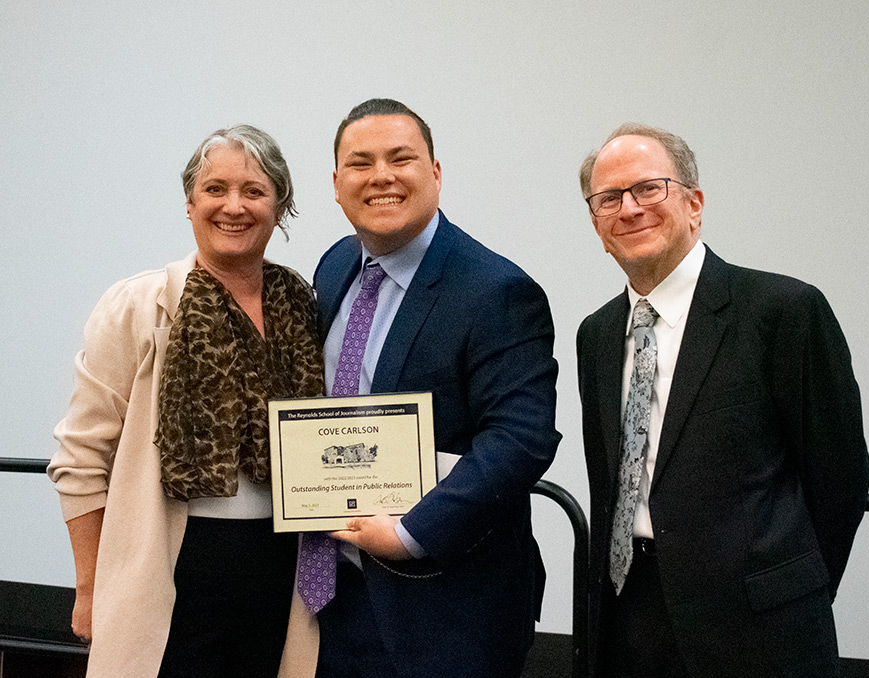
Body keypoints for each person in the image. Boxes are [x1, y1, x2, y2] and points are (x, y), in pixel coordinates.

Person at [576, 123, 869, 677]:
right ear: (597, 225)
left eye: (648, 188)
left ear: (694, 203)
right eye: (609, 198)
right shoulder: (596, 333)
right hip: (628, 619)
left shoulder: (783, 311)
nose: (630, 208)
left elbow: (840, 475)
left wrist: (791, 593)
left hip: (758, 631)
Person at [48, 125, 323, 678]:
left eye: (254, 190)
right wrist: (89, 587)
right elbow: (80, 459)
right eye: (215, 189)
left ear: (280, 205)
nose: (233, 206)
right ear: (190, 203)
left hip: (280, 565)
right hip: (174, 562)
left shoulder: (303, 300)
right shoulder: (139, 304)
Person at [309, 98, 561, 678]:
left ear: (436, 172)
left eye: (401, 158)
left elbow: (519, 441)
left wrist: (410, 534)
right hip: (330, 594)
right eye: (360, 163)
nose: (381, 177)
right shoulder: (334, 266)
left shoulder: (496, 290)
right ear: (337, 183)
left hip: (442, 612)